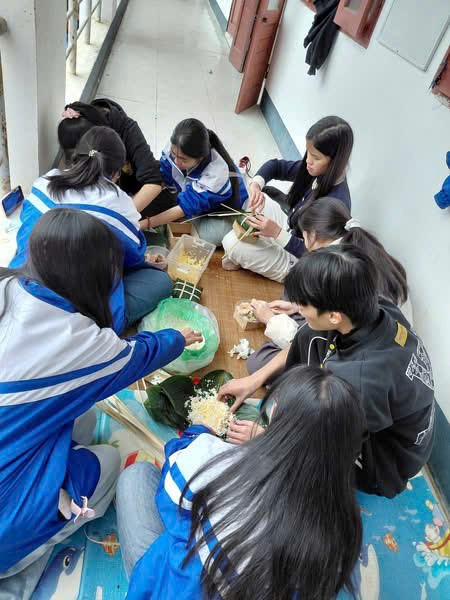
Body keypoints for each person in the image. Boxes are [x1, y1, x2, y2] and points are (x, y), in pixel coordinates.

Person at [0, 208, 202, 599]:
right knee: (108, 462)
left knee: (84, 418)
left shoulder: (8, 286)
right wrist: (178, 337)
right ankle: (20, 561)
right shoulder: (80, 340)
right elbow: (138, 356)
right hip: (5, 518)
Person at [115, 365, 367, 600]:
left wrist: (198, 432)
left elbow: (172, 480)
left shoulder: (217, 461)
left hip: (171, 590)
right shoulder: (345, 528)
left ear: (276, 418)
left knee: (137, 476)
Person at [219, 246, 435, 498]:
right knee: (308, 332)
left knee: (289, 471)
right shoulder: (374, 307)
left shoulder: (357, 381)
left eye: (303, 304)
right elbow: (306, 335)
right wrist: (253, 381)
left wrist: (266, 438)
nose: (299, 309)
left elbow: (323, 448)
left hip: (383, 463)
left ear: (334, 316)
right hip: (373, 414)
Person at [10, 126, 173, 332]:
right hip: (78, 316)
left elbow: (24, 232)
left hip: (20, 289)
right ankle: (103, 325)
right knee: (160, 280)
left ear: (75, 156)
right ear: (117, 172)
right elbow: (133, 258)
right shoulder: (119, 205)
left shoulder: (45, 183)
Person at [247, 197, 412, 374]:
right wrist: (297, 307)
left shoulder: (338, 270)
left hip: (363, 351)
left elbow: (330, 336)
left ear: (312, 235)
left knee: (260, 362)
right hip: (380, 335)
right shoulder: (352, 252)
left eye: (302, 236)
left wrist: (272, 321)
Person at [221, 115, 353, 282]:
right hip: (291, 227)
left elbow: (315, 256)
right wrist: (255, 185)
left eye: (316, 157)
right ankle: (258, 251)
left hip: (301, 260)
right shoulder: (316, 170)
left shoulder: (336, 203)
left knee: (230, 243)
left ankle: (257, 255)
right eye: (308, 153)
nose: (308, 161)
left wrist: (277, 233)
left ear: (334, 161)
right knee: (254, 201)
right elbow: (276, 166)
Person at [143, 118, 248, 246]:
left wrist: (144, 224)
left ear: (200, 157)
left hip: (224, 211)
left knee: (200, 237)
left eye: (183, 159)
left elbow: (184, 208)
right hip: (197, 197)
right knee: (156, 205)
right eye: (174, 154)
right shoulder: (177, 148)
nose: (176, 161)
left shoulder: (216, 173)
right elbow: (162, 176)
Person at [58, 99, 166, 215]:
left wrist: (120, 217)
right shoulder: (78, 138)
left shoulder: (127, 130)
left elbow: (153, 180)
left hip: (136, 195)